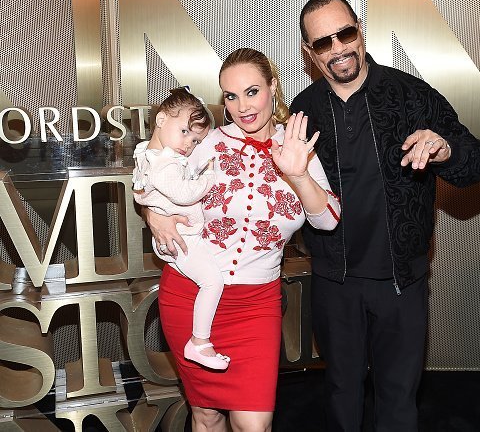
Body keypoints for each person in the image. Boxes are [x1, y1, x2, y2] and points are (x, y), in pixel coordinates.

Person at [291, 0, 480, 431]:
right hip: (333, 279)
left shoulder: (410, 94)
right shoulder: (303, 111)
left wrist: (446, 148)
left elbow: (474, 162)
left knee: (399, 396)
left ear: (360, 31)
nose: (338, 48)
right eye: (323, 42)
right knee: (341, 391)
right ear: (309, 52)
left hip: (401, 280)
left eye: (345, 33)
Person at [144, 48, 341, 431]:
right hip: (191, 296)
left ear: (273, 87)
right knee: (204, 414)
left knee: (255, 423)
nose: (243, 106)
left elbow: (329, 220)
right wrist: (154, 213)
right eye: (231, 96)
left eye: (252, 91)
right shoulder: (208, 143)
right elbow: (156, 176)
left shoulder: (297, 147)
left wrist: (298, 175)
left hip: (256, 307)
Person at [132, 87, 232, 370]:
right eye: (185, 131)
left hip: (182, 238)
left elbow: (139, 192)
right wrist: (208, 177)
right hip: (182, 240)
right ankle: (199, 342)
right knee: (213, 282)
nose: (189, 143)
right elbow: (184, 194)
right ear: (161, 119)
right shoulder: (164, 162)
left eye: (196, 139)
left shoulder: (148, 154)